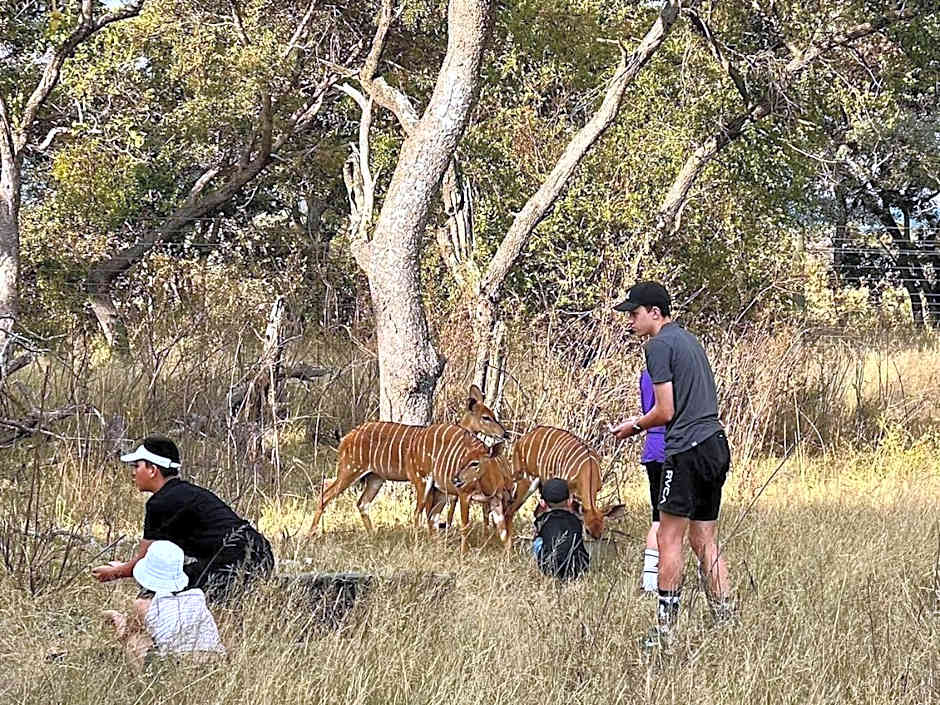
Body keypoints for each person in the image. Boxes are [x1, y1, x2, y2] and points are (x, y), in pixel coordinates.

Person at [610, 282, 732, 648]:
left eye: (634, 314)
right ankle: (725, 619)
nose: (630, 321)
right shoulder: (690, 341)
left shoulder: (658, 345)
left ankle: (664, 631)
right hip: (715, 444)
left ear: (655, 313)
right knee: (705, 538)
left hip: (686, 450)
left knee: (668, 536)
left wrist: (632, 426)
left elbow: (666, 410)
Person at [92, 435, 274, 603]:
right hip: (262, 554)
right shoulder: (187, 492)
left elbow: (144, 561)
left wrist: (114, 573)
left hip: (234, 564)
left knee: (154, 592)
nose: (133, 473)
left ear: (153, 470)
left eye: (137, 466)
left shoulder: (159, 503)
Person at [102, 540, 226, 671]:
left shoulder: (142, 605)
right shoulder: (197, 596)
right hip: (215, 664)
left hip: (179, 667)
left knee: (134, 639)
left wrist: (114, 616)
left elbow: (125, 633)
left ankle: (143, 684)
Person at [638, 368, 666, 595]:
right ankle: (655, 580)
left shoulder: (647, 374)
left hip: (653, 447)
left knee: (658, 517)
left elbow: (647, 410)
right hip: (673, 447)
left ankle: (649, 580)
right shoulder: (675, 371)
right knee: (670, 521)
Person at [531, 478, 590, 581]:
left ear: (542, 503)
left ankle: (542, 571)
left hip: (549, 568)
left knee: (537, 542)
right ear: (570, 501)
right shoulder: (576, 521)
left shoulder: (541, 521)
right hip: (576, 568)